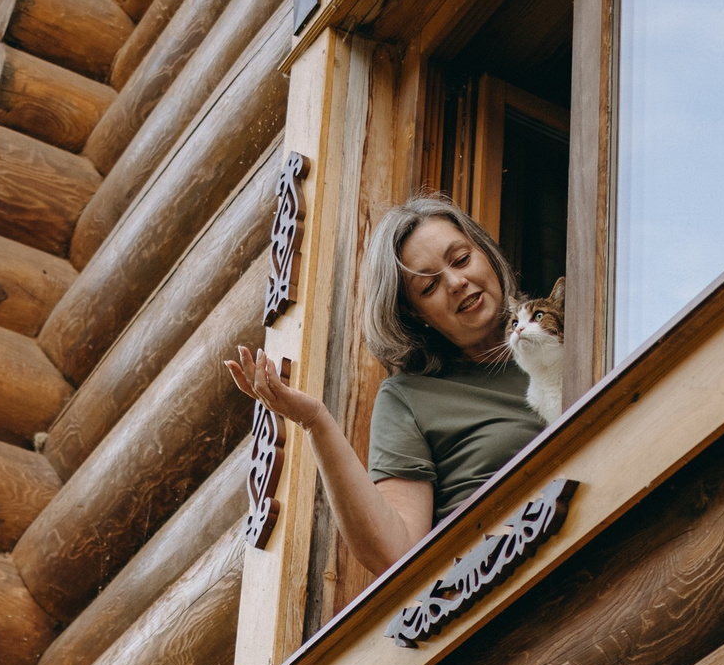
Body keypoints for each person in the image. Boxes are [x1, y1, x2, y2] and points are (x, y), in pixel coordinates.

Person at [226, 195, 545, 577]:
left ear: (487, 255)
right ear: (415, 313)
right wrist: (315, 421)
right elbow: (395, 553)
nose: (457, 282)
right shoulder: (409, 397)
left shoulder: (574, 328)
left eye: (461, 260)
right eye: (428, 287)